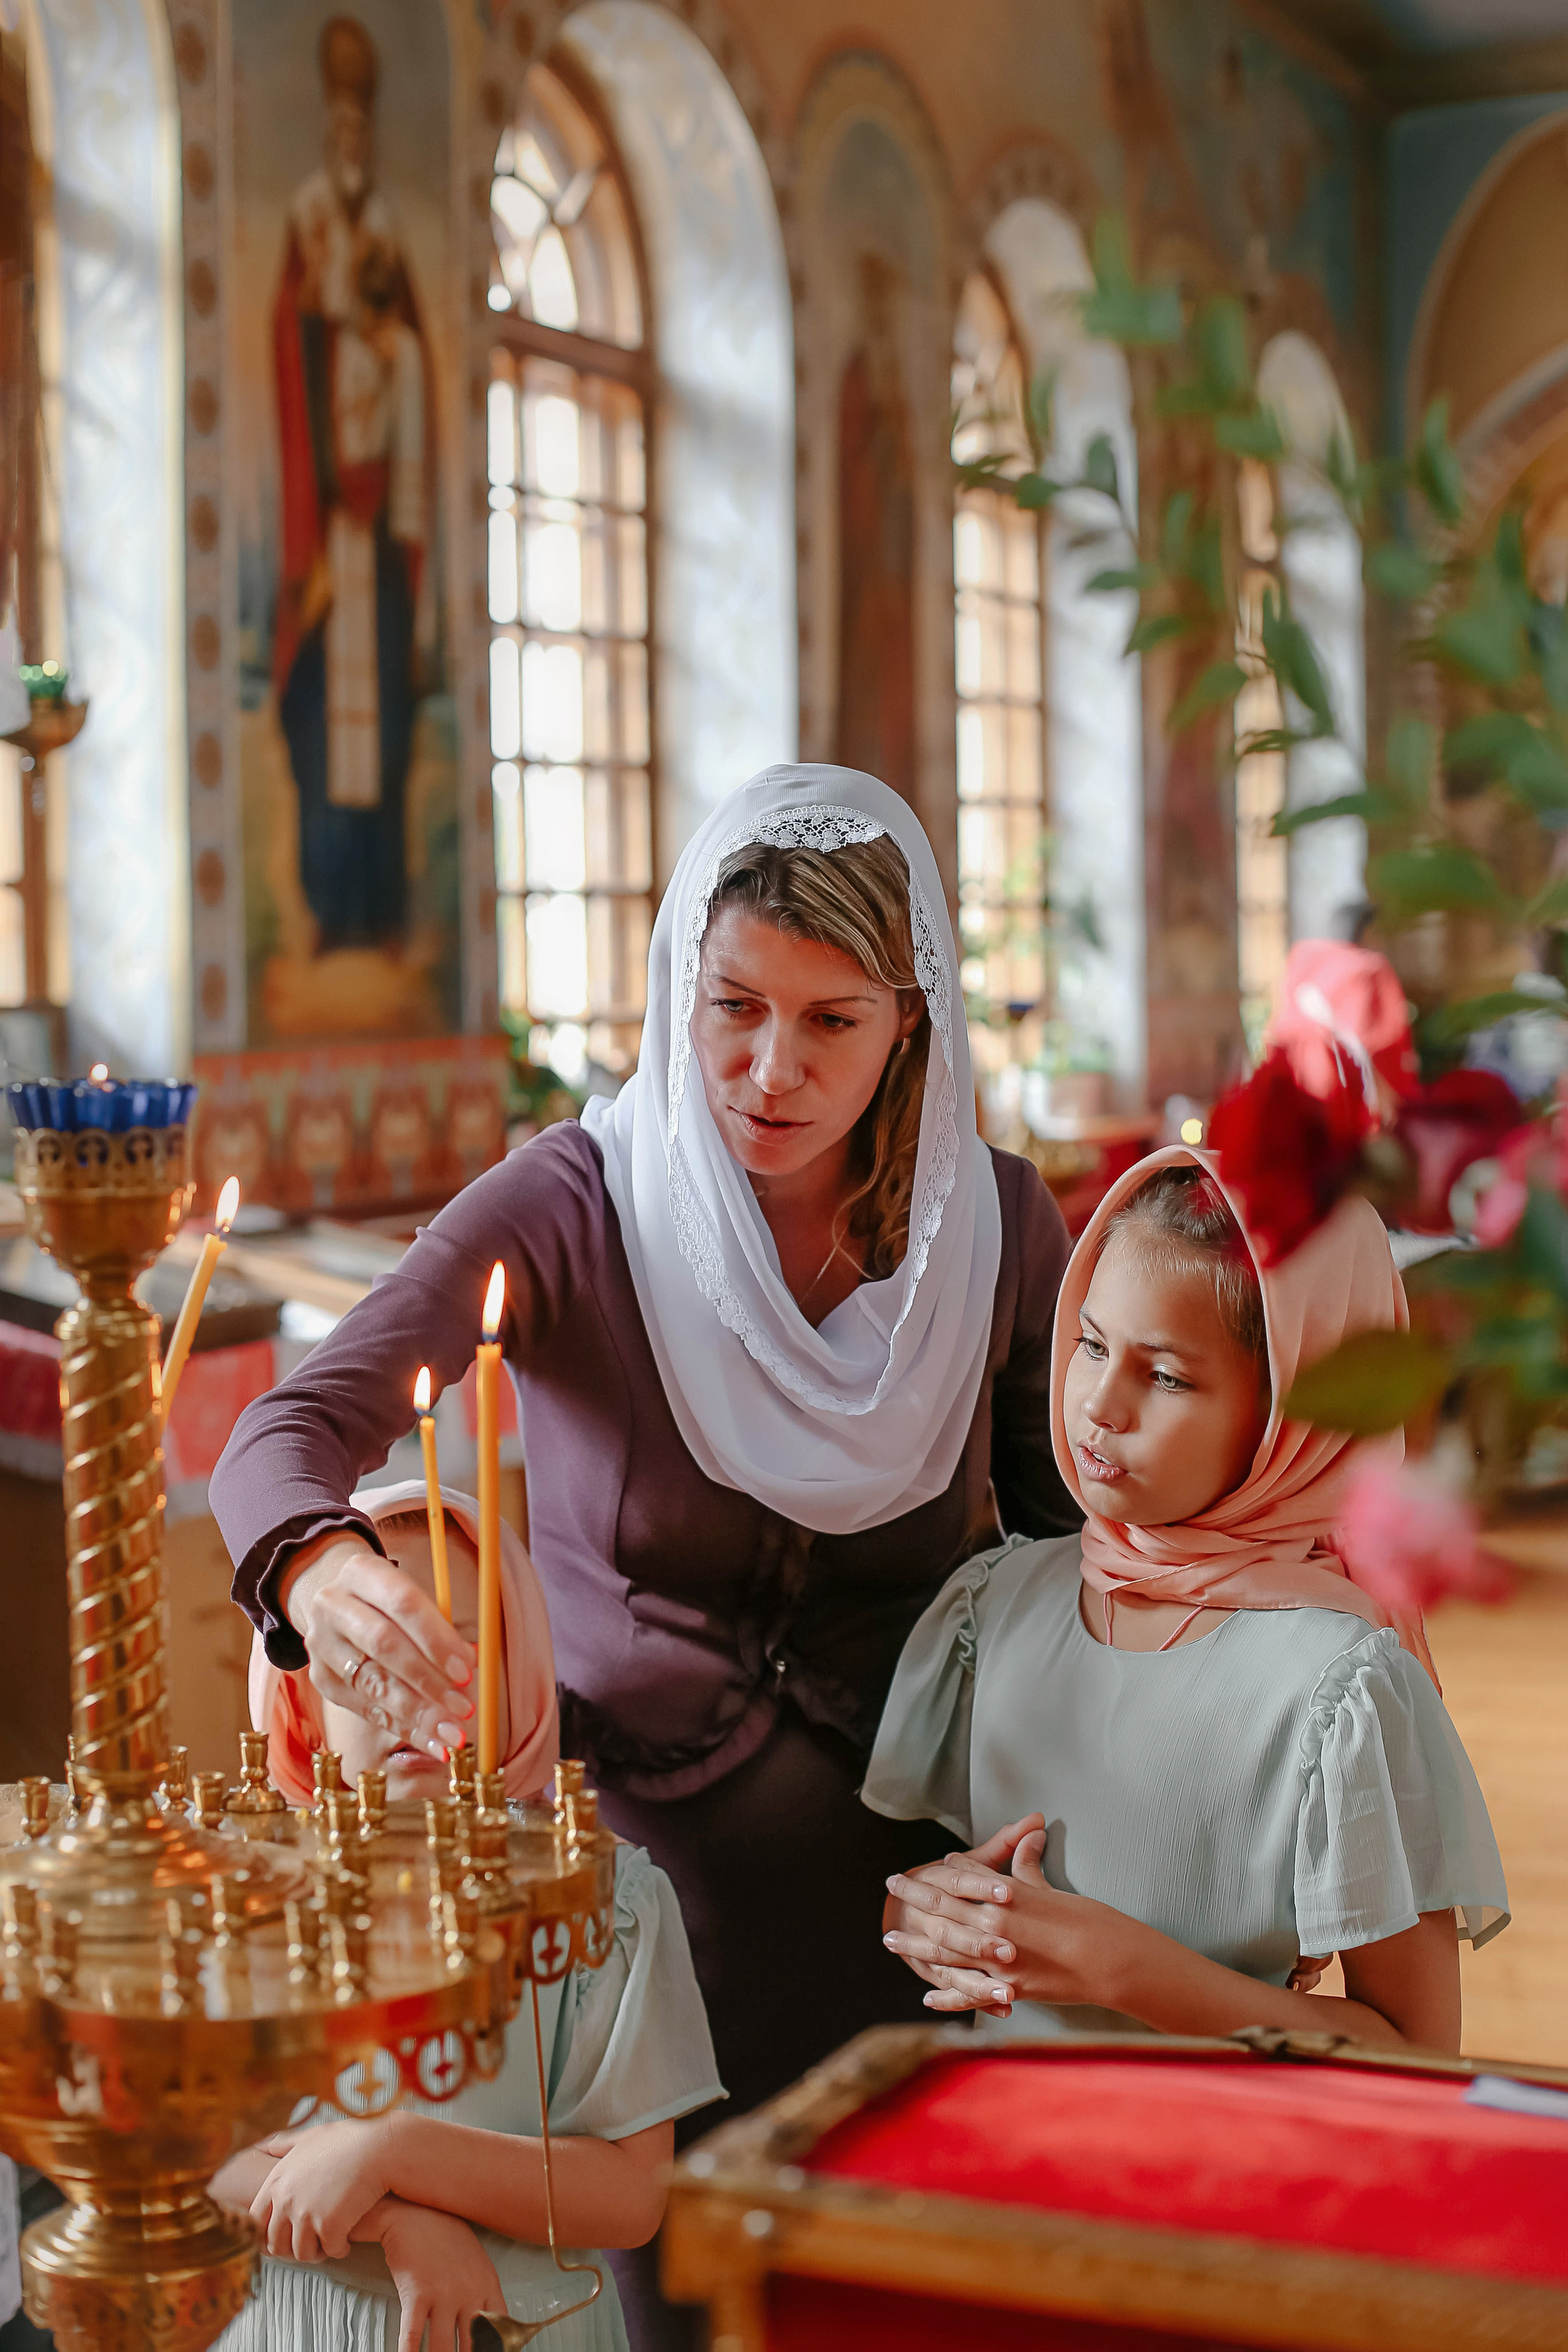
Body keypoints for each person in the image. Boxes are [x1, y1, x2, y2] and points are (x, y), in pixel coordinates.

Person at [211, 766, 1080, 2340]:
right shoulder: (574, 1204)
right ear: (678, 978)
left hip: (924, 1922)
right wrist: (324, 1567)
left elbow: (1076, 1556)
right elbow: (284, 1432)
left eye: (832, 1021)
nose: (768, 1068)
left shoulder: (998, 1233)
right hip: (624, 1959)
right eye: (733, 1004)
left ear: (911, 1023)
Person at [868, 1149, 1508, 2046]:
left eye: (1165, 1376)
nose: (1099, 1405)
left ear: (1291, 1413)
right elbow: (924, 1907)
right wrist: (927, 1920)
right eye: (1091, 1344)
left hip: (1219, 2171)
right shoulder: (995, 1607)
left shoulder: (1338, 1692)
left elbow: (1416, 2050)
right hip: (996, 2159)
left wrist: (1120, 1970)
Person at [212, 1480, 722, 2352]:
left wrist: (395, 2150)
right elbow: (195, 2154)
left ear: (515, 1670)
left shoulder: (605, 1901)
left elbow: (631, 2196)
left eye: (456, 1646)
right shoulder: (243, 1898)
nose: (411, 1693)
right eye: (372, 1658)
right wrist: (404, 2226)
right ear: (301, 1700)